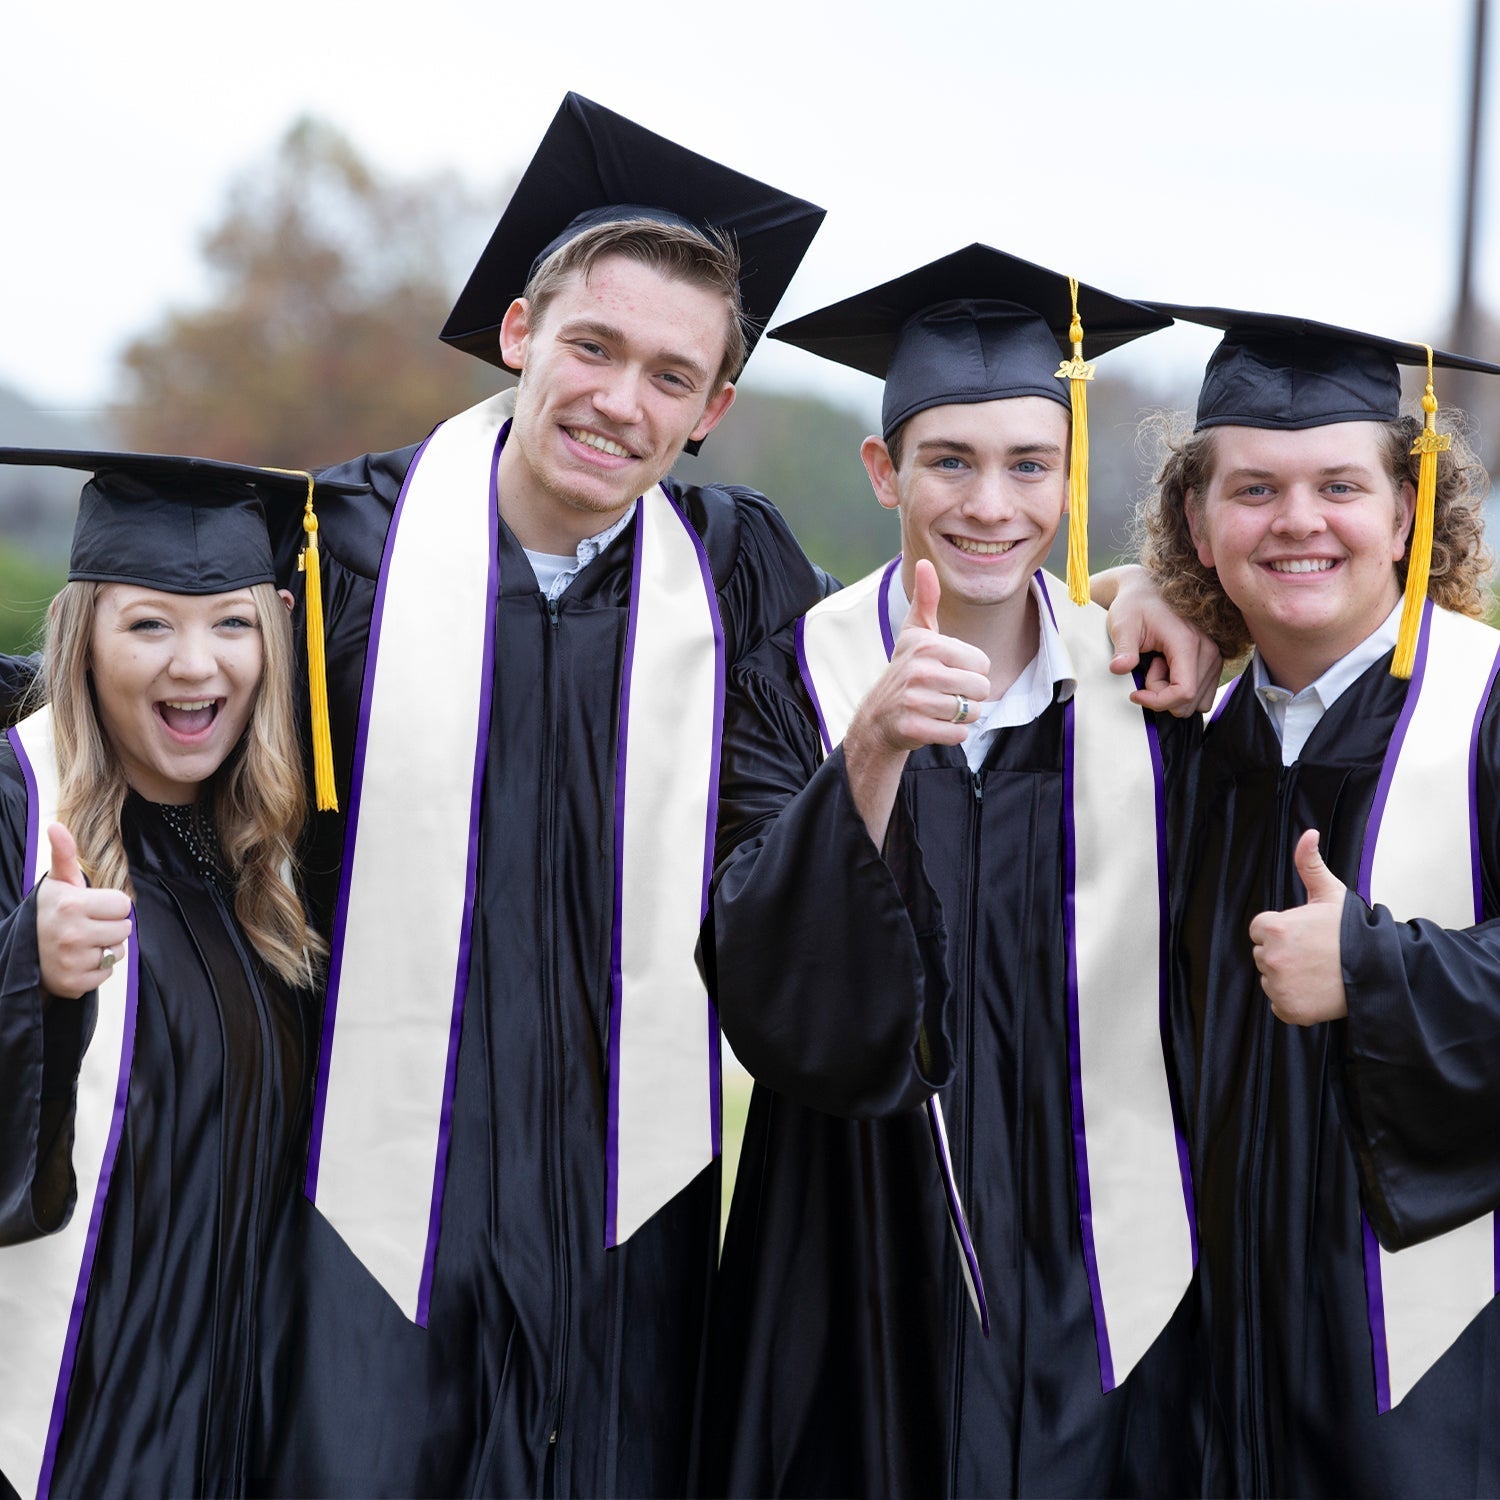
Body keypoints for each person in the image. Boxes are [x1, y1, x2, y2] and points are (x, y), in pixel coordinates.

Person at [254, 95, 830, 1496]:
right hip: (375, 1179)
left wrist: (1129, 615)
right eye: (592, 346)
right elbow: (148, 708)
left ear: (711, 412)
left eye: (670, 376)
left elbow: (870, 735)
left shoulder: (738, 570)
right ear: (520, 335)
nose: (620, 401)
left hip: (629, 1192)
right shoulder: (345, 549)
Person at [700, 246, 1204, 1498]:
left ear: (1070, 472)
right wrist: (868, 747)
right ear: (886, 473)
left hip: (1097, 1260)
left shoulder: (1150, 694)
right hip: (850, 1255)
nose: (993, 503)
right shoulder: (794, 680)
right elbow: (759, 975)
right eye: (950, 461)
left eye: (1030, 463)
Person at [1133, 306, 1500, 1497]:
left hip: (1441, 1372)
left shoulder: (1485, 710)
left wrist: (1379, 970)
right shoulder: (1169, 741)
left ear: (1406, 508)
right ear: (1196, 520)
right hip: (1213, 1376)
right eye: (1254, 490)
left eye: (1339, 485)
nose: (1298, 522)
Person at [0, 452, 346, 1498]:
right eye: (150, 624)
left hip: (228, 1410)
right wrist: (30, 970)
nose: (196, 666)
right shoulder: (16, 804)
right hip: (67, 1416)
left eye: (232, 624)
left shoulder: (266, 858)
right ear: (84, 637)